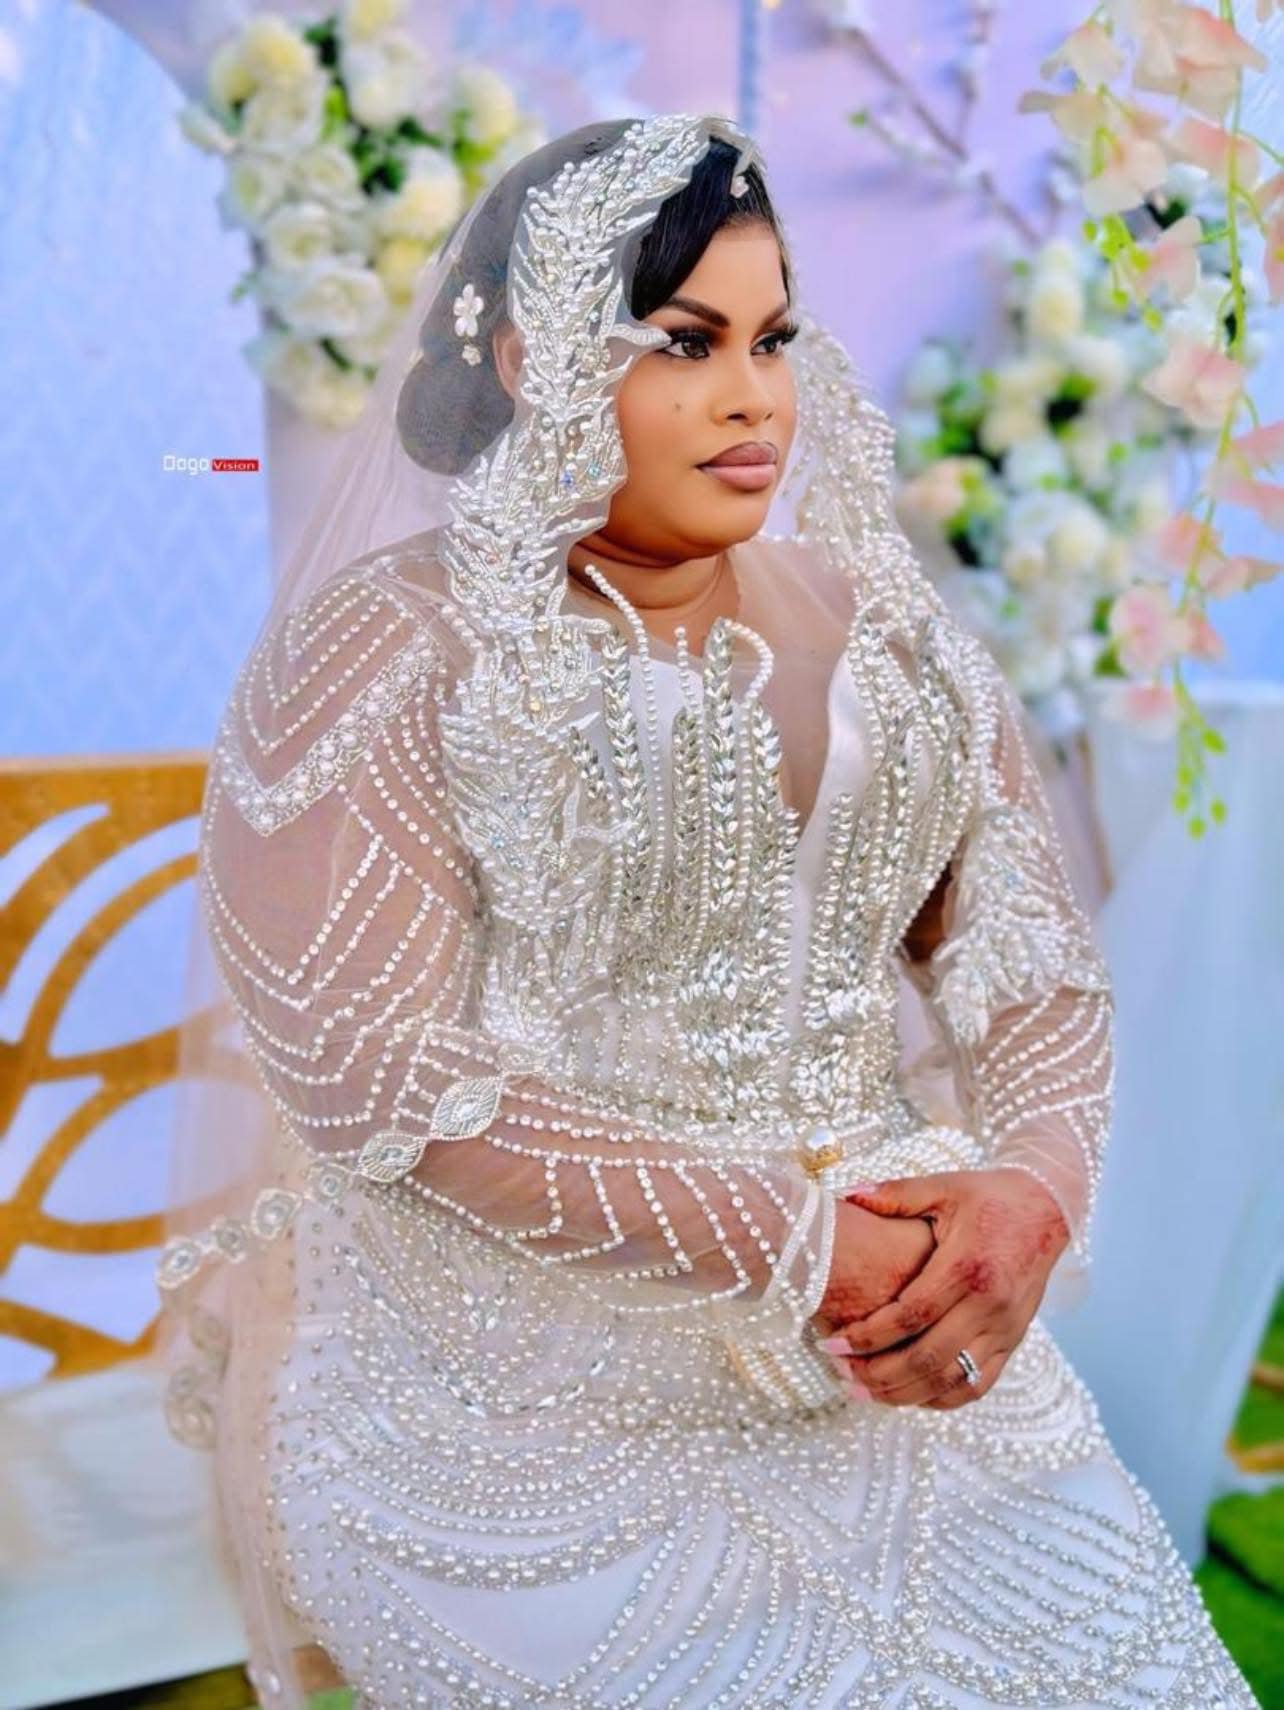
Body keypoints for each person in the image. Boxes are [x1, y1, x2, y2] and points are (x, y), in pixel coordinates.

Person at [155, 113, 1260, 1708]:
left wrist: (1032, 1183)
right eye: (686, 343)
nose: (755, 396)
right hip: (507, 1422)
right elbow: (375, 1073)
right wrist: (795, 1242)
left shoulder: (886, 630)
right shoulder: (387, 652)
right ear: (535, 360)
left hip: (888, 1369)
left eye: (773, 337)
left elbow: (1027, 962)